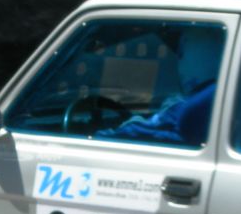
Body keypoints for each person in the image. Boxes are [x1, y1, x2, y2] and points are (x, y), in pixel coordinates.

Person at [95, 26, 223, 146]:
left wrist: (132, 122)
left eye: (180, 52)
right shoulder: (226, 103)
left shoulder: (188, 111)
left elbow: (131, 133)